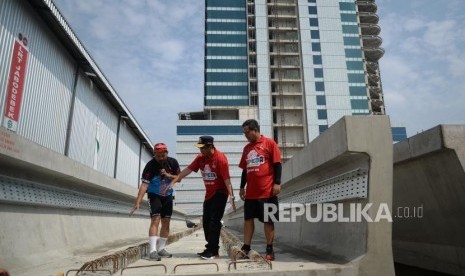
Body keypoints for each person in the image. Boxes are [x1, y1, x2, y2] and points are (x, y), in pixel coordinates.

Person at [165, 135, 236, 259]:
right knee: (206, 221)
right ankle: (211, 248)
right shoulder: (200, 158)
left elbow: (226, 179)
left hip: (221, 192)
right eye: (199, 148)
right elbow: (187, 170)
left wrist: (231, 196)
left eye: (203, 148)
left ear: (210, 146)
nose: (200, 151)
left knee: (214, 220)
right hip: (209, 194)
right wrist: (175, 180)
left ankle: (213, 250)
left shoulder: (220, 159)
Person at [239, 119, 282, 261]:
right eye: (244, 133)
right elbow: (245, 170)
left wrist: (277, 183)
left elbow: (277, 164)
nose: (245, 135)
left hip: (267, 191)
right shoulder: (247, 148)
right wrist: (241, 187)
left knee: (268, 221)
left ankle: (269, 248)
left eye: (247, 132)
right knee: (248, 219)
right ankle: (246, 247)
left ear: (255, 130)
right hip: (251, 193)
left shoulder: (269, 143)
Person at [130, 143, 180, 260]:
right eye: (158, 156)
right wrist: (137, 202)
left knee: (166, 222)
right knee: (155, 219)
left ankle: (161, 249)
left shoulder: (173, 162)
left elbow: (179, 177)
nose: (161, 158)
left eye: (163, 155)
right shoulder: (150, 166)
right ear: (154, 155)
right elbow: (144, 185)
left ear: (167, 153)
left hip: (167, 195)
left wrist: (168, 175)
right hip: (154, 195)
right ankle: (152, 250)